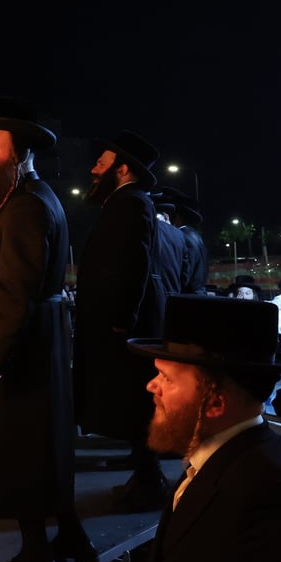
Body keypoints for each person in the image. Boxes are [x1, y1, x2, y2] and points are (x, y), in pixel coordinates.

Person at [0, 99, 96, 562]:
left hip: (19, 350)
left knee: (21, 449)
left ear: (19, 153)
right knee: (42, 443)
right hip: (34, 341)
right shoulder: (22, 198)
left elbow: (19, 288)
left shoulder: (27, 205)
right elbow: (14, 274)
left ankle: (35, 555)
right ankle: (70, 534)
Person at [127, 295, 281, 562]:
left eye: (167, 378)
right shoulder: (209, 461)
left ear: (214, 403)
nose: (151, 386)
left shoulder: (269, 493)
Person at [72, 129, 170, 512]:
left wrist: (120, 321)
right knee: (130, 404)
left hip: (127, 328)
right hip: (123, 324)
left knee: (134, 403)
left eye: (102, 162)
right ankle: (145, 480)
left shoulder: (131, 203)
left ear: (123, 168)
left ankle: (150, 484)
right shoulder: (123, 202)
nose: (94, 169)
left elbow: (133, 264)